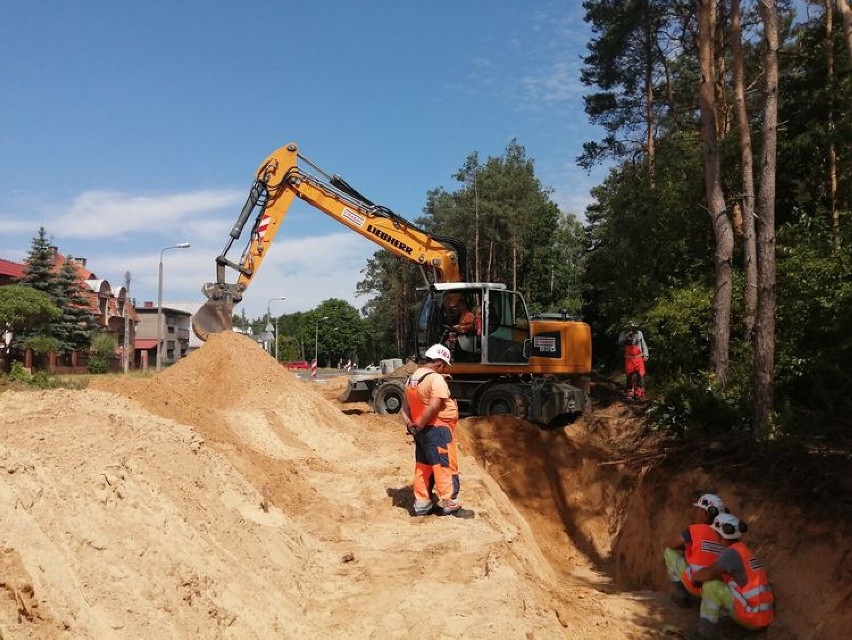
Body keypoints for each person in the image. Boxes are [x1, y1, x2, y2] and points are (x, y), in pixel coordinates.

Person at [400, 343, 474, 519]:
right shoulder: (436, 379)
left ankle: (422, 504)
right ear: (439, 364)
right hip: (437, 430)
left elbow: (404, 407)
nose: (443, 370)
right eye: (444, 366)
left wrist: (411, 425)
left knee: (423, 467)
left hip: (421, 433)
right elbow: (434, 406)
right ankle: (450, 504)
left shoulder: (411, 379)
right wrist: (422, 423)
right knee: (444, 466)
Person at [687, 513, 774, 639]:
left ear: (719, 535)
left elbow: (707, 574)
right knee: (721, 583)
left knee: (712, 586)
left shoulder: (732, 553)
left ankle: (705, 636)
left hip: (754, 616)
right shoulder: (743, 550)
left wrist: (694, 579)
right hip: (762, 615)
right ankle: (725, 626)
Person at [664, 493, 727, 607]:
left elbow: (671, 544)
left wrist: (686, 547)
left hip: (695, 584)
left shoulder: (694, 530)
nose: (696, 513)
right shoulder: (725, 536)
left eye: (699, 510)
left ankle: (681, 596)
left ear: (705, 514)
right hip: (717, 588)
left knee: (669, 552)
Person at [617, 321, 649, 399]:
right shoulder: (623, 334)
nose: (632, 329)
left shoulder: (639, 333)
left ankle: (639, 392)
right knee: (629, 375)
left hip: (639, 357)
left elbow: (643, 344)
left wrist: (646, 354)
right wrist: (627, 337)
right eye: (630, 327)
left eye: (634, 328)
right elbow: (620, 343)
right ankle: (630, 392)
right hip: (629, 359)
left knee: (640, 375)